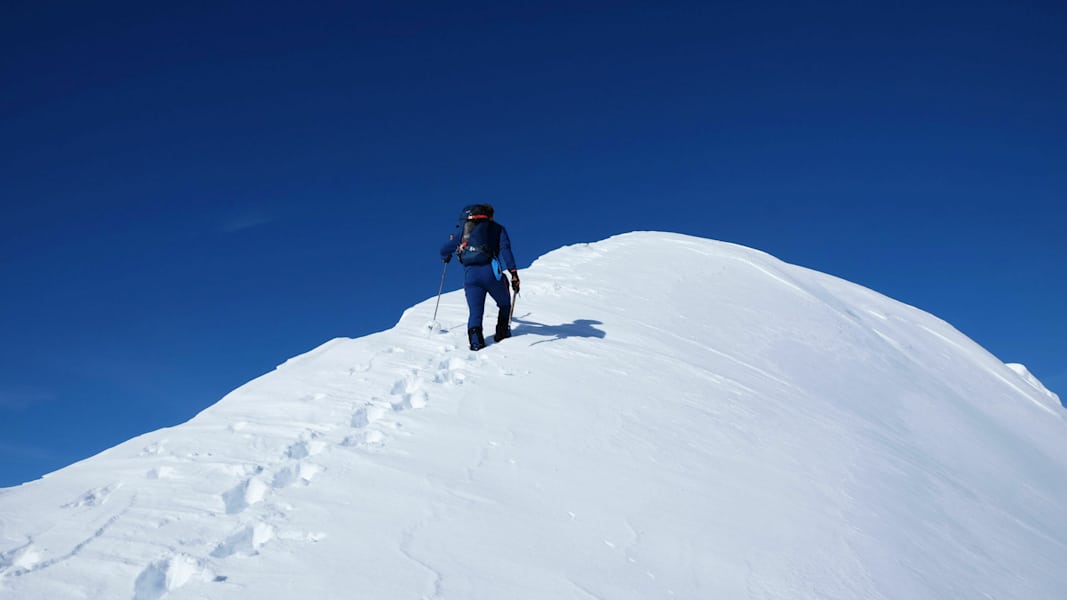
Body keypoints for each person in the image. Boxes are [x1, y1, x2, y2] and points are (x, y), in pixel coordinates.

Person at [440, 204, 520, 351]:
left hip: (471, 277)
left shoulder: (465, 231)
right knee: (504, 304)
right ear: (490, 215)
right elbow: (506, 250)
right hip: (490, 272)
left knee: (475, 312)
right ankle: (502, 333)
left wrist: (446, 257)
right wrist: (514, 273)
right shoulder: (497, 229)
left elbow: (444, 249)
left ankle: (476, 343)